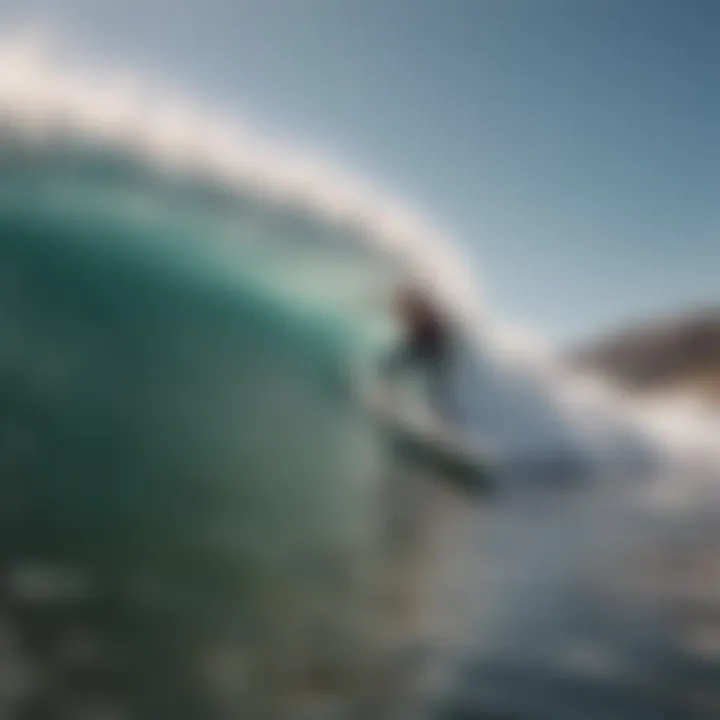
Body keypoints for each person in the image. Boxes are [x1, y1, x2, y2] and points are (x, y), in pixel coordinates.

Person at [383, 281, 455, 423]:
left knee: (435, 390)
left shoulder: (425, 313)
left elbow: (437, 335)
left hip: (434, 349)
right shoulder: (413, 310)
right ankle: (390, 400)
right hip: (422, 346)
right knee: (393, 366)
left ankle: (444, 421)